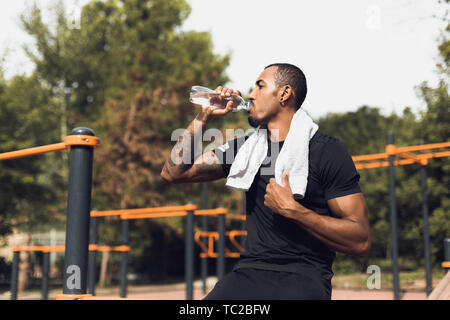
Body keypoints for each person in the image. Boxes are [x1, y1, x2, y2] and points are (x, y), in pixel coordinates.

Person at [161, 63, 371, 300]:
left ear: (284, 93)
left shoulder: (327, 151)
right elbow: (174, 173)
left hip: (303, 278)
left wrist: (295, 211)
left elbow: (360, 240)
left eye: (260, 86)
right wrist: (205, 114)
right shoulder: (246, 149)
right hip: (248, 274)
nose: (251, 94)